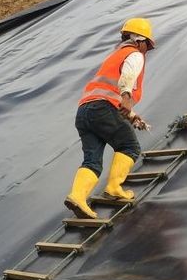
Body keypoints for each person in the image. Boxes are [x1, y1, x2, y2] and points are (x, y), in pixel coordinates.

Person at [64, 18, 155, 220]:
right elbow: (127, 77)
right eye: (147, 45)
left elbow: (105, 91)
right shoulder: (134, 54)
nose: (146, 50)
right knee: (129, 147)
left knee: (92, 161)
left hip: (85, 111)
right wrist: (127, 98)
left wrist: (131, 116)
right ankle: (114, 187)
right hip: (103, 108)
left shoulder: (115, 55)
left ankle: (77, 197)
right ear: (140, 40)